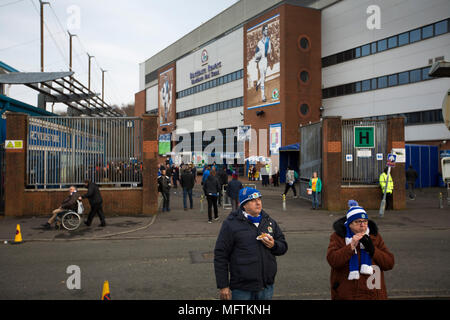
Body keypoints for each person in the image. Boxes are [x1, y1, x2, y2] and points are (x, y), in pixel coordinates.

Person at [214, 187, 288, 300]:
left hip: (266, 286)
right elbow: (221, 256)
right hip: (242, 289)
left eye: (259, 199)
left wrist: (274, 245)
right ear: (244, 205)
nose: (258, 203)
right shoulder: (231, 224)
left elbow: (283, 246)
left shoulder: (269, 221)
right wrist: (223, 286)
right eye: (253, 200)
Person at [326, 205, 395, 299]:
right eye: (358, 221)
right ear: (349, 224)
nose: (362, 225)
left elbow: (389, 263)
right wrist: (350, 246)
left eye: (365, 221)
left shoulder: (375, 237)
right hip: (348, 294)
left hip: (373, 293)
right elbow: (333, 260)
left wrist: (373, 250)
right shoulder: (338, 237)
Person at [254, 24, 272, 103]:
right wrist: (259, 55)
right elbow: (256, 54)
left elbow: (269, 51)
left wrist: (266, 50)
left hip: (265, 60)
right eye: (265, 29)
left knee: (263, 77)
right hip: (261, 61)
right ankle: (263, 96)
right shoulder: (259, 43)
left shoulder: (269, 40)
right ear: (262, 31)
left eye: (267, 29)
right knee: (263, 78)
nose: (266, 31)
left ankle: (257, 83)